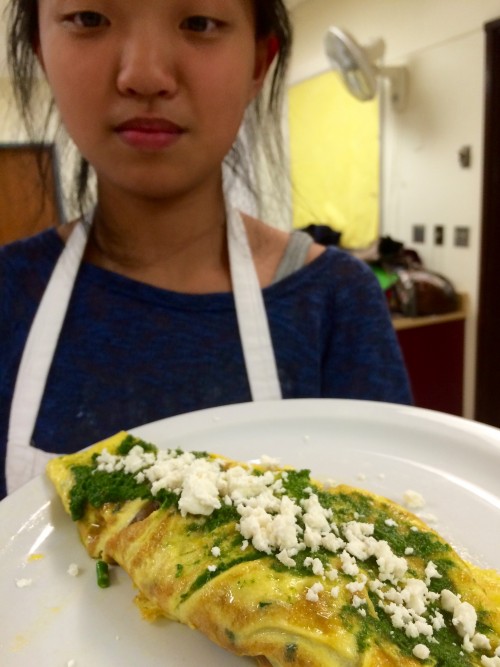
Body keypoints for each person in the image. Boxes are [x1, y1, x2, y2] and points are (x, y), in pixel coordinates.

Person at [0, 0, 412, 499]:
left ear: (259, 63)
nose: (144, 76)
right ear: (42, 51)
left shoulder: (334, 302)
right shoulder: (9, 294)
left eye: (199, 22)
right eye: (90, 19)